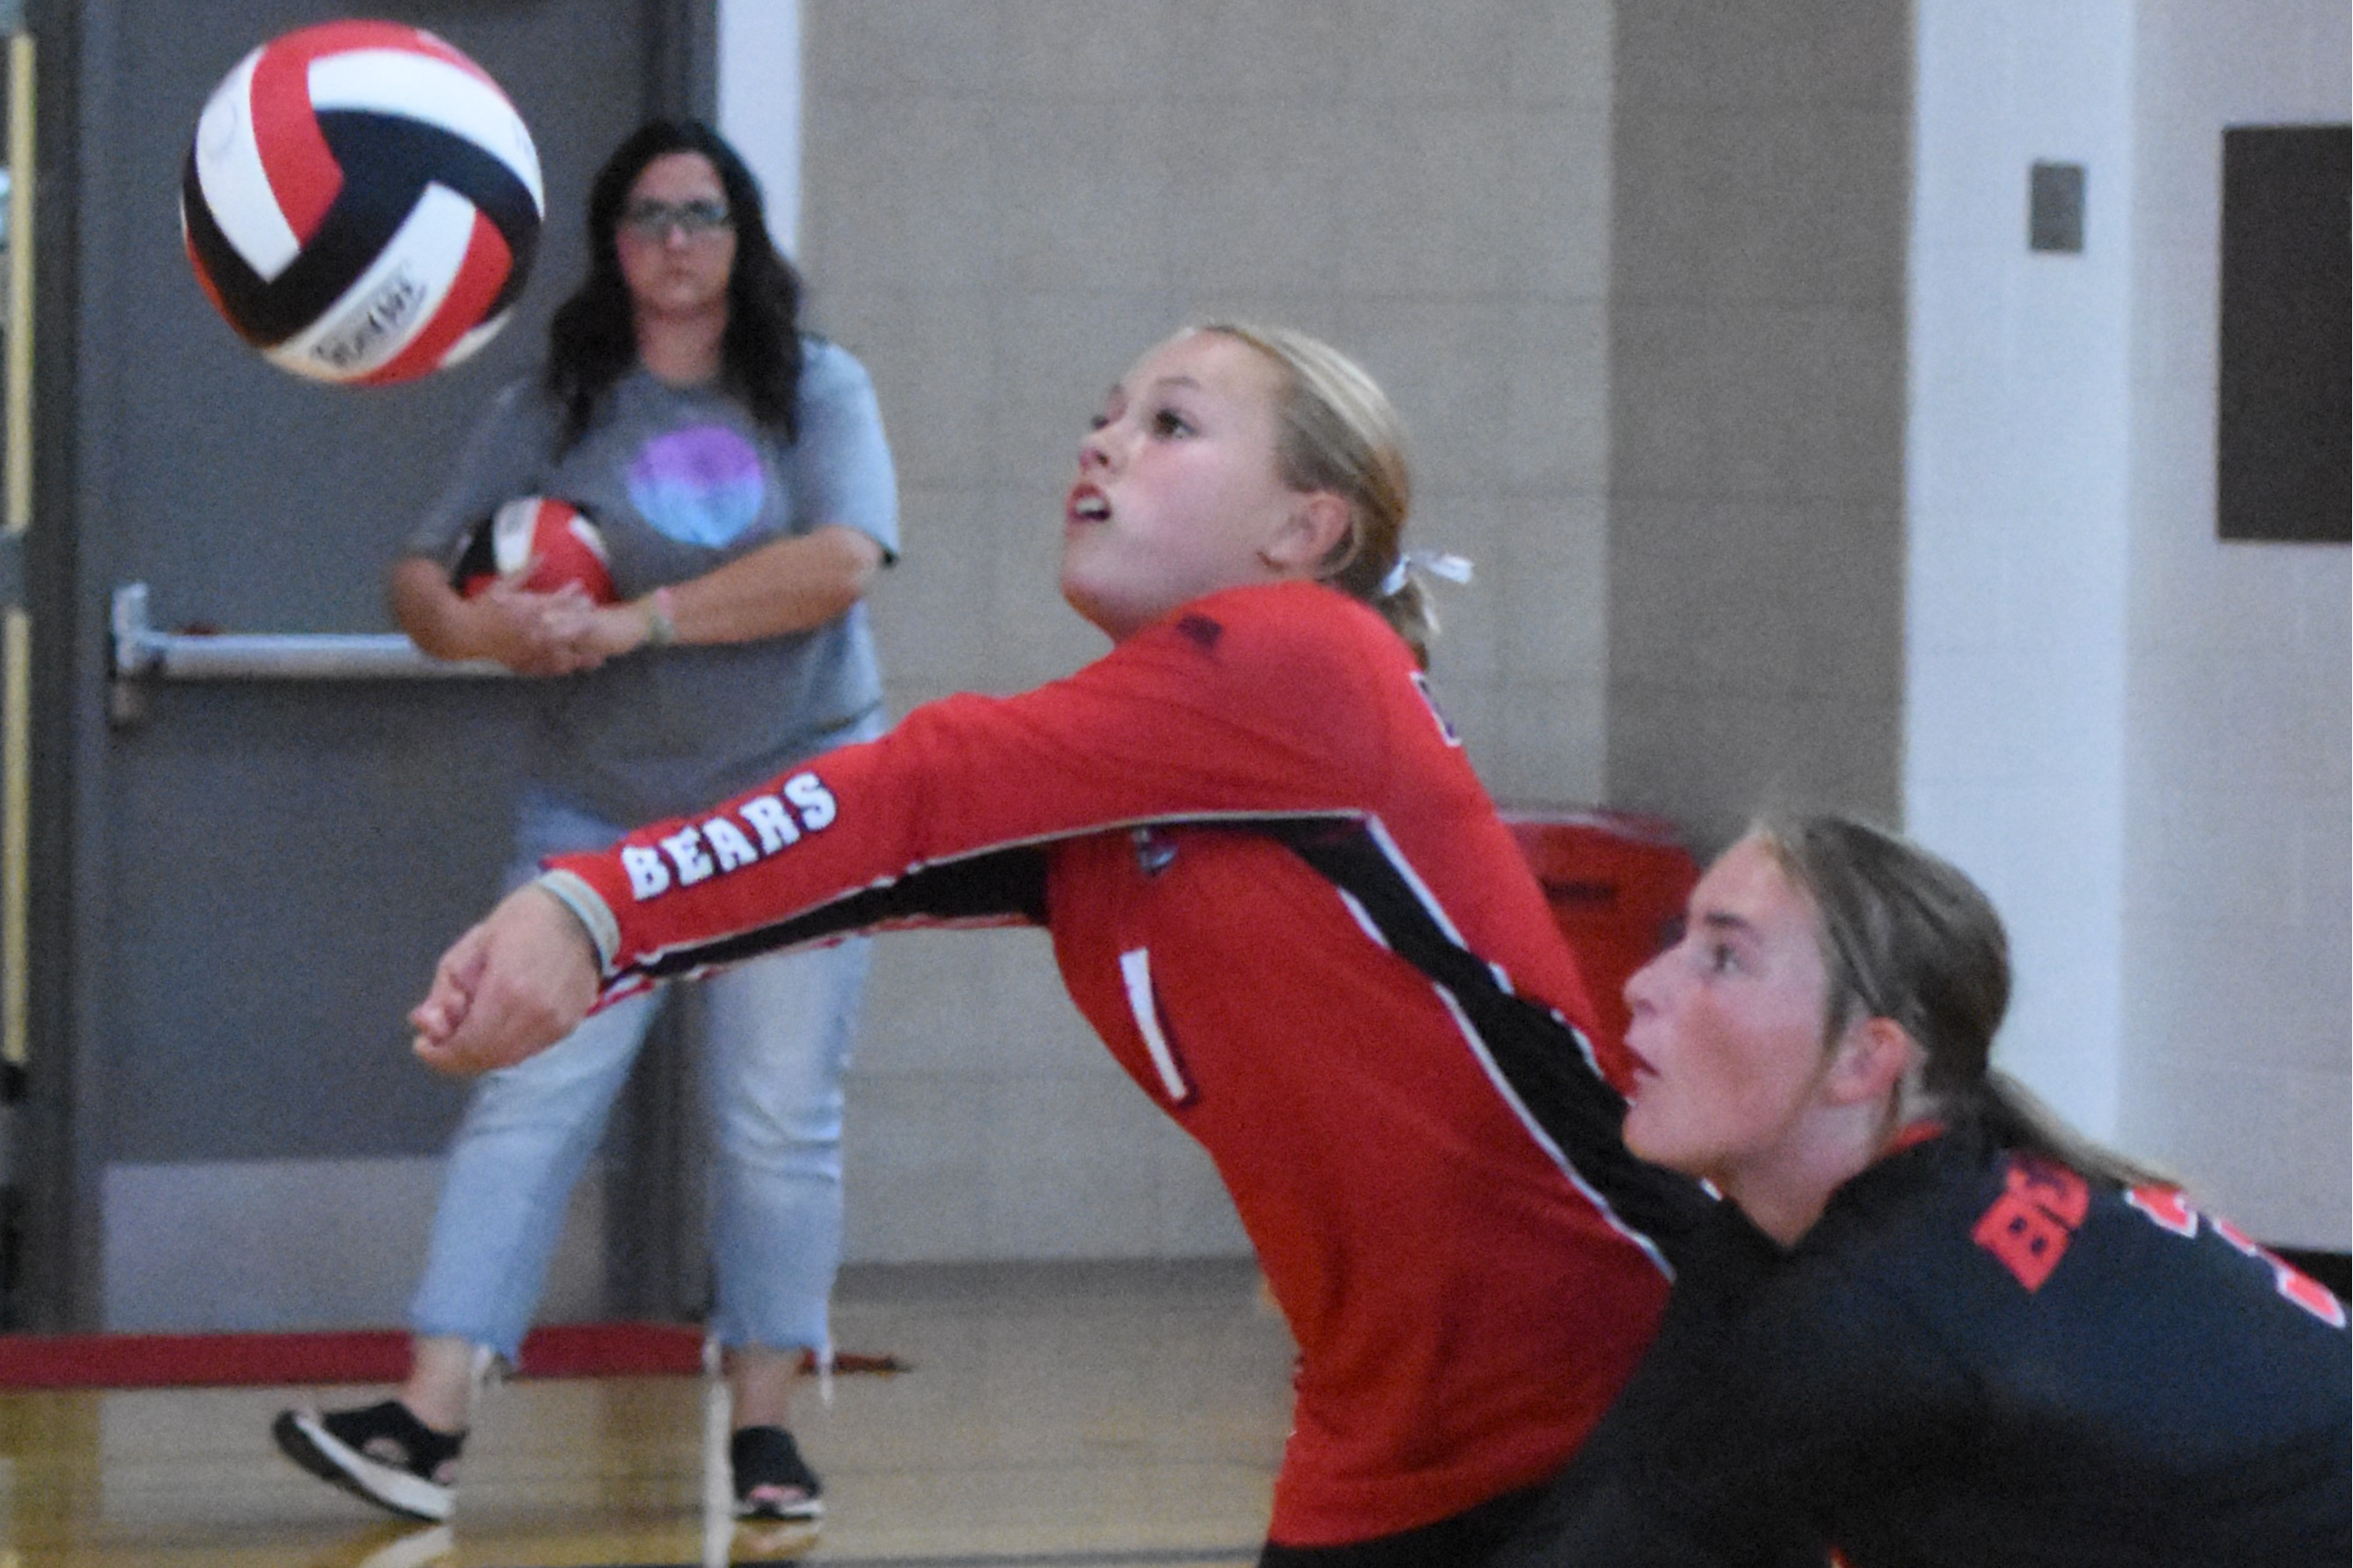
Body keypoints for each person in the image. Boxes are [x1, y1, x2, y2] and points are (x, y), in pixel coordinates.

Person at [399, 321, 1707, 1564]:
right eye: (1101, 417)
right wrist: (601, 942)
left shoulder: (1305, 656)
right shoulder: (1138, 788)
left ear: (1304, 530)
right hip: (1384, 1433)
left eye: (1169, 424)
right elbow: (855, 866)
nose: (1101, 444)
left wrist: (589, 908)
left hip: (1613, 1372)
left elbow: (915, 783)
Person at [272, 119, 899, 1527]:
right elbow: (419, 581)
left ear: (740, 238)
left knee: (775, 1121)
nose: (675, 243)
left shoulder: (815, 389)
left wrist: (638, 619)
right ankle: (424, 1428)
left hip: (791, 802)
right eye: (645, 220)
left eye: (701, 215)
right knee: (530, 1091)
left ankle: (764, 1434)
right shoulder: (552, 401)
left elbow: (839, 562)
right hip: (599, 815)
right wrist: (492, 634)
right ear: (611, 247)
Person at [1495, 814, 2351, 1568]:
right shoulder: (1832, 1230)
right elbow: (1630, 1491)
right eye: (1676, 940)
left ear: (1865, 1059)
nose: (1643, 986)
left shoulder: (1874, 1306)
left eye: (1723, 957)